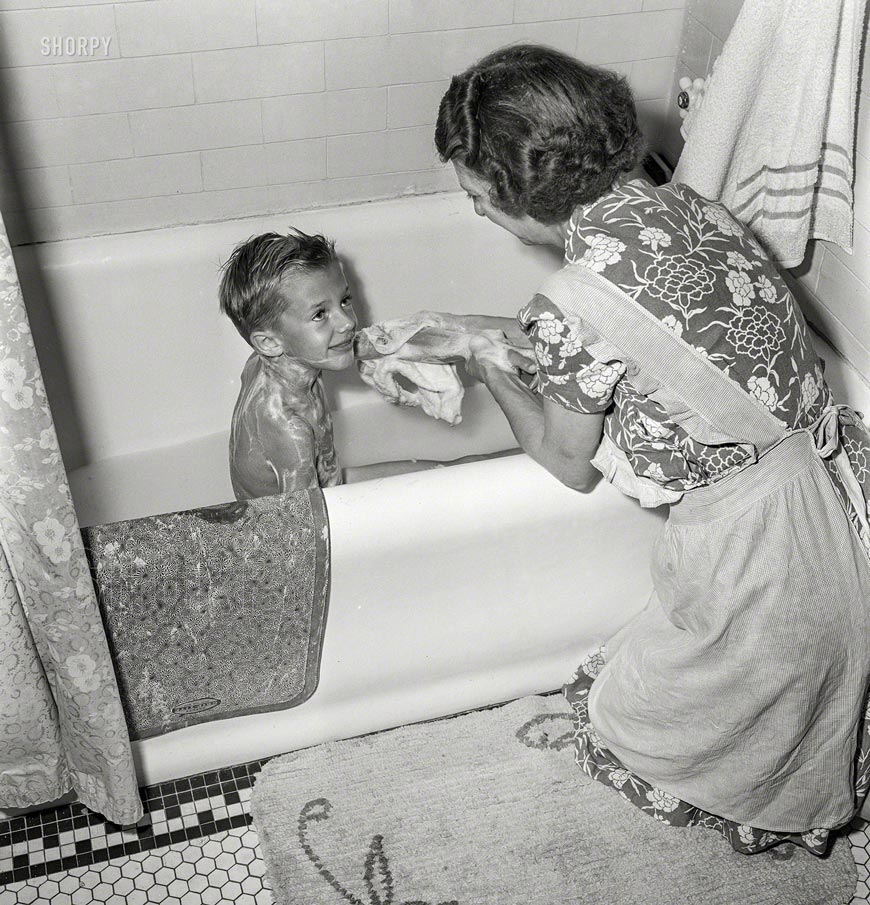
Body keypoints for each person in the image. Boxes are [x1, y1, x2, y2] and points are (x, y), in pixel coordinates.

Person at [434, 43, 870, 855]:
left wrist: (492, 363)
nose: (478, 214)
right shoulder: (685, 207)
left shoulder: (569, 302)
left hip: (764, 559)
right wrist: (532, 340)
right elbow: (662, 337)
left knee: (627, 724)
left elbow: (568, 462)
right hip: (834, 495)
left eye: (478, 196)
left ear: (522, 190)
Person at [219, 229, 526, 499]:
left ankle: (539, 465)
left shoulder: (273, 359)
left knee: (457, 470)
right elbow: (306, 530)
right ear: (269, 342)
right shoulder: (288, 428)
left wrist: (466, 345)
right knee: (456, 476)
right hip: (308, 516)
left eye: (344, 301)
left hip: (326, 486)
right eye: (319, 315)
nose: (346, 323)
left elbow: (375, 344)